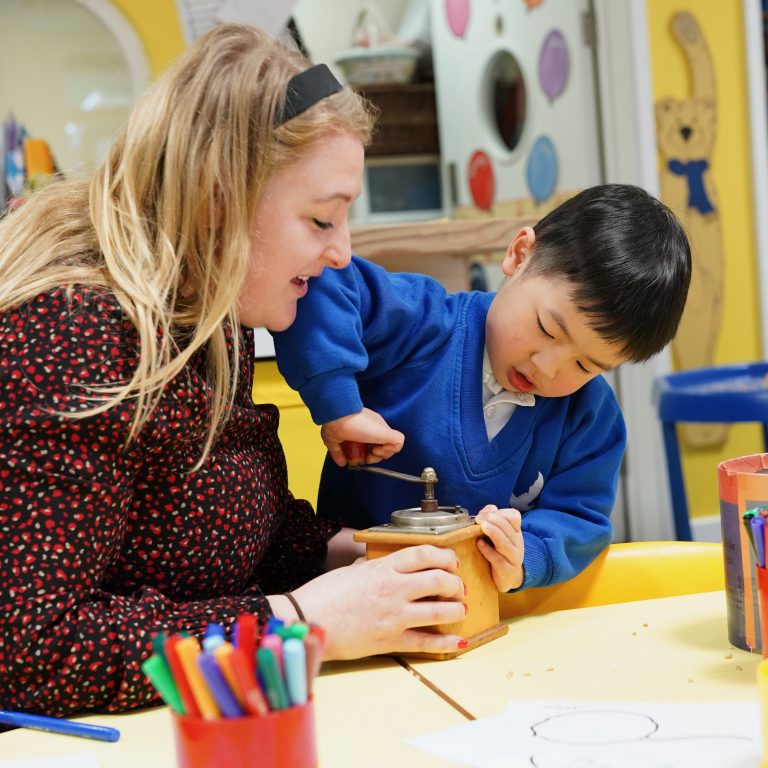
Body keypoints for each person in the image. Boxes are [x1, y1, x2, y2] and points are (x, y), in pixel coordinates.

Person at [0, 23, 473, 719]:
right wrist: (296, 625)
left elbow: (239, 527)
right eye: (321, 220)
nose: (343, 253)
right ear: (218, 199)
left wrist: (379, 557)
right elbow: (29, 652)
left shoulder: (215, 312)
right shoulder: (74, 329)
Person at [273, 184, 692, 593]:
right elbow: (326, 282)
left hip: (486, 613)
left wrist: (526, 556)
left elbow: (579, 520)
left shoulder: (590, 418)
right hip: (352, 592)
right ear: (519, 255)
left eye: (584, 365)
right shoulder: (420, 324)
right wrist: (339, 403)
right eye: (546, 328)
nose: (546, 368)